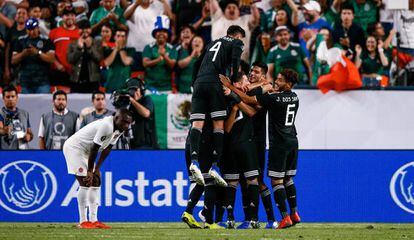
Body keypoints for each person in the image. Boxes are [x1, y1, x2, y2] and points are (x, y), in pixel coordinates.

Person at [220, 68, 302, 229]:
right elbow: (260, 90)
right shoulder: (295, 96)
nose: (276, 83)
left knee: (275, 181)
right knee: (288, 179)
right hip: (293, 140)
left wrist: (230, 88)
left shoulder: (274, 99)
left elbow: (249, 101)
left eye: (279, 80)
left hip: (278, 143)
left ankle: (284, 218)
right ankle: (294, 213)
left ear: (288, 83)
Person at [188, 25, 245, 186]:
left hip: (199, 83)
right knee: (218, 125)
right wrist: (232, 82)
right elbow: (235, 61)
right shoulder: (236, 42)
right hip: (215, 82)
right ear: (237, 35)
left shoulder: (212, 43)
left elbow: (195, 64)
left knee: (197, 124)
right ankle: (214, 165)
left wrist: (194, 84)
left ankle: (194, 161)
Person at [62, 108, 133, 229]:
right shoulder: (107, 125)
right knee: (85, 182)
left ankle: (94, 220)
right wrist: (90, 171)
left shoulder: (120, 128)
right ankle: (83, 221)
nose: (126, 125)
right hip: (75, 148)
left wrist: (97, 169)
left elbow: (108, 148)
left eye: (128, 123)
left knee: (96, 180)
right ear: (116, 118)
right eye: (124, 122)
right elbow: (95, 148)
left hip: (86, 151)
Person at [221, 73, 260, 229]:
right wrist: (234, 109)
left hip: (248, 144)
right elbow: (227, 129)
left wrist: (236, 99)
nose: (248, 82)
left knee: (252, 180)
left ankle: (254, 219)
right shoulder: (225, 100)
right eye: (244, 80)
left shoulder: (248, 95)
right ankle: (230, 218)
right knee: (232, 182)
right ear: (237, 83)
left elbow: (252, 112)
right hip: (231, 146)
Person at [123, 0, 173, 72]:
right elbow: (126, 16)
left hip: (151, 49)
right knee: (135, 77)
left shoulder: (157, 7)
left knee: (151, 76)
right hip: (135, 48)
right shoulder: (134, 7)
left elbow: (169, 17)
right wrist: (137, 3)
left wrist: (164, 2)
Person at [11, 18, 55, 93]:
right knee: (25, 105)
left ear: (38, 28)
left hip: (42, 82)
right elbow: (13, 61)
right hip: (25, 82)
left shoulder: (46, 40)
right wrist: (23, 54)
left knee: (43, 105)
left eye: (33, 29)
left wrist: (38, 53)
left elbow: (51, 59)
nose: (31, 32)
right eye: (29, 29)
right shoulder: (20, 41)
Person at [142, 15, 177, 92]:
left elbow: (172, 65)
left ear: (167, 35)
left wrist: (164, 55)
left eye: (164, 31)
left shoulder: (172, 49)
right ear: (155, 34)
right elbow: (145, 63)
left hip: (166, 88)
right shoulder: (148, 47)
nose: (161, 34)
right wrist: (158, 59)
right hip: (149, 87)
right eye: (159, 31)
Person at [67, 19, 103, 93]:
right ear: (78, 30)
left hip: (93, 81)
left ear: (90, 29)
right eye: (81, 28)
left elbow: (99, 58)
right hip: (76, 80)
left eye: (87, 28)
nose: (84, 30)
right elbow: (70, 60)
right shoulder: (72, 44)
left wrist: (90, 47)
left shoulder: (97, 43)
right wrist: (79, 49)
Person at [49, 6, 80, 87]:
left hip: (76, 72)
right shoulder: (54, 32)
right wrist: (57, 64)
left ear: (75, 17)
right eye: (67, 15)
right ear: (62, 17)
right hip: (59, 71)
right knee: (59, 98)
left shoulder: (80, 32)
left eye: (72, 15)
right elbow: (49, 52)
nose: (70, 17)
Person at [126, 78, 158, 149]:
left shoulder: (147, 99)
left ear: (141, 90)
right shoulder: (128, 103)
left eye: (136, 89)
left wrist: (133, 101)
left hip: (147, 144)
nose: (133, 92)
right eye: (131, 90)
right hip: (132, 142)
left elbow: (146, 114)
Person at [0, 85, 32, 149]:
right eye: (8, 97)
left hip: (23, 150)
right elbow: (0, 129)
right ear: (3, 98)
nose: (10, 99)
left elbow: (29, 132)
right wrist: (5, 131)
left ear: (17, 97)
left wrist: (29, 136)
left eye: (13, 96)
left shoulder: (24, 113)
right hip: (7, 152)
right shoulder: (1, 113)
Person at [103, 28, 134, 93]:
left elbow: (126, 62)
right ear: (114, 37)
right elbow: (107, 63)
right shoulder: (108, 50)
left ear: (125, 38)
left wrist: (121, 48)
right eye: (118, 36)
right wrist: (116, 49)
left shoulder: (131, 50)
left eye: (123, 36)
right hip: (110, 85)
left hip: (125, 86)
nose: (120, 38)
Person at [176, 27, 204, 93]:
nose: (197, 43)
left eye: (200, 42)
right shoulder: (185, 53)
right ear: (191, 44)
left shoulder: (207, 56)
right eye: (195, 41)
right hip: (183, 90)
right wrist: (192, 56)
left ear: (203, 45)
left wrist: (199, 55)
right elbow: (180, 65)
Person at [3, 7, 28, 84]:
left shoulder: (30, 31)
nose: (21, 15)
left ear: (27, 17)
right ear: (15, 17)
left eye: (23, 13)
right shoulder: (11, 31)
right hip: (13, 66)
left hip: (27, 66)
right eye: (19, 13)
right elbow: (7, 50)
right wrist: (6, 69)